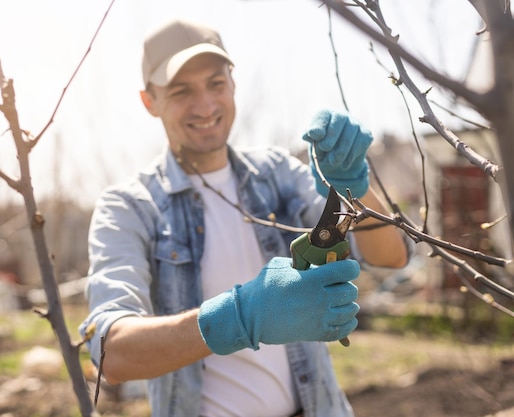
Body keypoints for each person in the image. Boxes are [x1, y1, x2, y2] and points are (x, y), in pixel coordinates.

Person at [80, 18, 409, 417]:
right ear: (150, 101)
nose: (205, 106)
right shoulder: (130, 208)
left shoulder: (276, 175)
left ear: (233, 84)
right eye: (182, 91)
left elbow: (388, 256)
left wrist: (351, 189)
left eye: (216, 84)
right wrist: (241, 316)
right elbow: (112, 354)